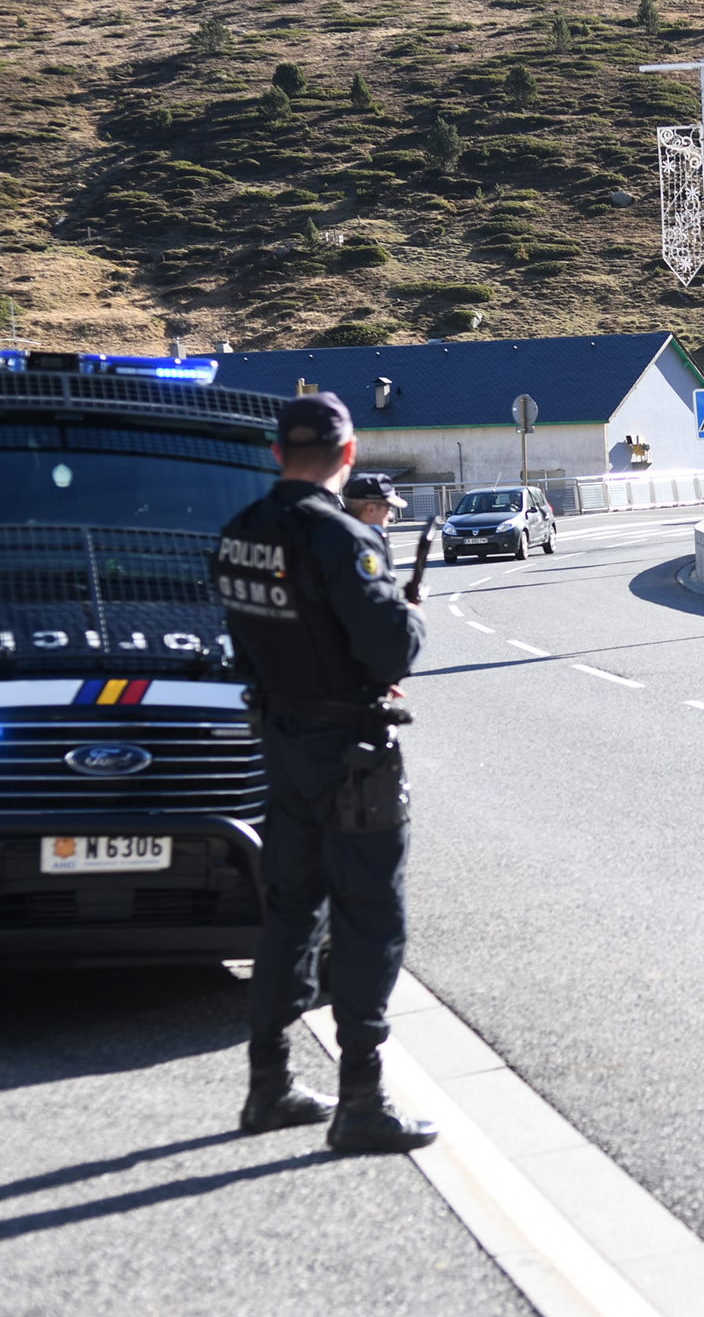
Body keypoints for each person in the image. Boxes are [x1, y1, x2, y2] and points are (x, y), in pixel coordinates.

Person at [213, 393, 437, 1155]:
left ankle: (268, 1082)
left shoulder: (239, 533)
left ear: (278, 453)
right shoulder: (342, 538)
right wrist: (411, 614)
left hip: (283, 744)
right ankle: (362, 1099)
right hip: (352, 753)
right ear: (348, 455)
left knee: (289, 912)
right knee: (369, 917)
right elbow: (392, 649)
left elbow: (251, 641)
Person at [343, 472, 407, 539]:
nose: (391, 516)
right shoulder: (363, 541)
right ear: (371, 510)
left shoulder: (340, 534)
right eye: (388, 509)